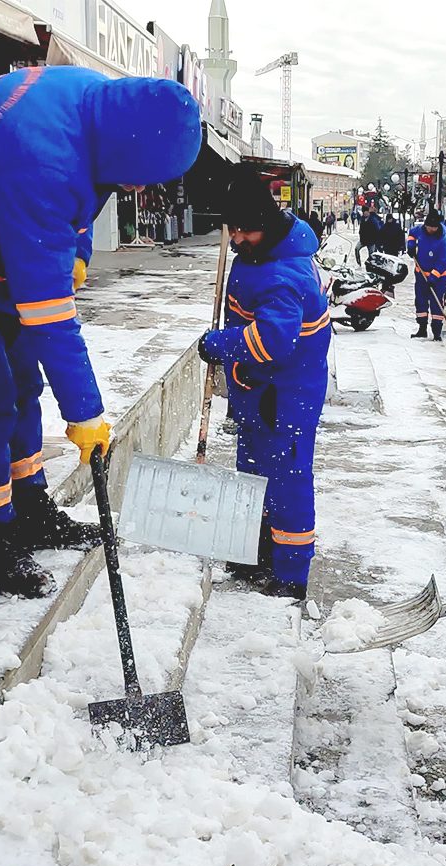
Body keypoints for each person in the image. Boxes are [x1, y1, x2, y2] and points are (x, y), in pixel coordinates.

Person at [0, 66, 200, 598]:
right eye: (142, 173)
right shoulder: (41, 152)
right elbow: (49, 316)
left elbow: (81, 201)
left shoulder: (94, 110)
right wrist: (87, 417)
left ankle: (30, 507)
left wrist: (74, 255)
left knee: (24, 382)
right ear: (129, 146)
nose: (141, 186)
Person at [197, 167, 332, 601]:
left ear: (266, 226)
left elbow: (270, 341)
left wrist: (219, 344)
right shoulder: (262, 253)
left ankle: (290, 572)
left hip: (284, 398)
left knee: (287, 480)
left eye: (243, 231)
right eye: (232, 230)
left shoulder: (283, 276)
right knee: (253, 474)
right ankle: (255, 549)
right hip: (260, 393)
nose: (235, 239)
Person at [405, 209, 446, 341]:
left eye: (433, 227)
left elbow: (443, 262)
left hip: (438, 279)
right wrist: (411, 245)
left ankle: (437, 332)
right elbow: (412, 233)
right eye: (429, 227)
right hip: (421, 275)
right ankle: (422, 328)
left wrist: (433, 277)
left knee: (437, 305)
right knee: (420, 302)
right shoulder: (420, 230)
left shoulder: (444, 241)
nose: (431, 229)